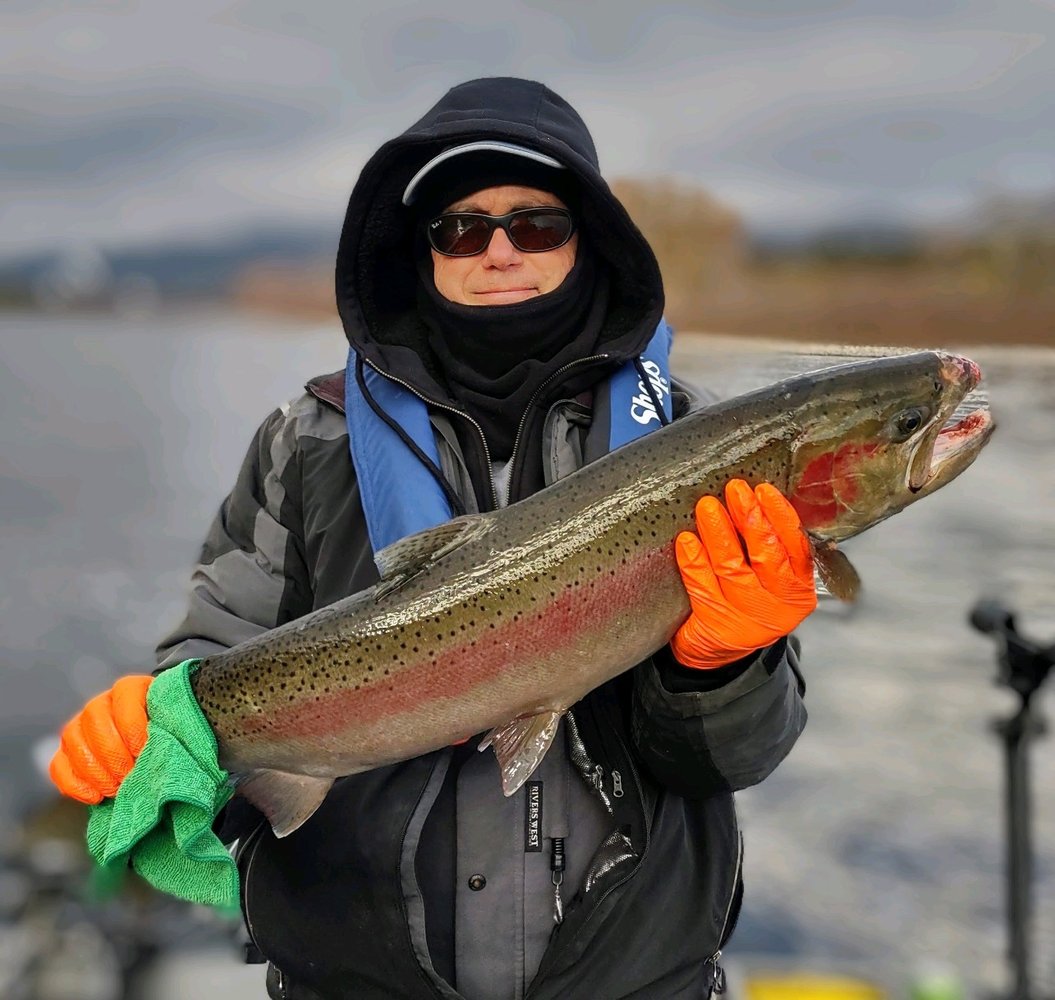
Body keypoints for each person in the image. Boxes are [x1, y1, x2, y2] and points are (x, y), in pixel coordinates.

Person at [49, 77, 815, 1000]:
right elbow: (211, 656)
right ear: (420, 255)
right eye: (460, 229)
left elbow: (737, 758)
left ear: (590, 243)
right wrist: (154, 720)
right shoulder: (306, 443)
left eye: (535, 224)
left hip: (635, 978)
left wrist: (722, 668)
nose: (498, 250)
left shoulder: (692, 447)